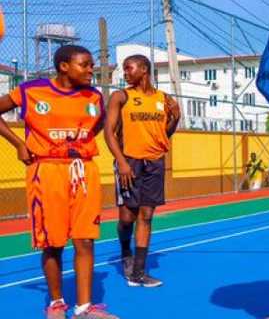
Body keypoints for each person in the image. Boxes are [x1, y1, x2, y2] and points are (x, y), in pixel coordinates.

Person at [0, 45, 118, 318]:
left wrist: (78, 142)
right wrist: (18, 143)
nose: (91, 70)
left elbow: (97, 125)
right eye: (85, 65)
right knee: (53, 242)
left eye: (91, 65)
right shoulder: (32, 91)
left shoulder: (94, 96)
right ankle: (56, 303)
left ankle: (85, 307)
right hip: (47, 171)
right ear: (64, 66)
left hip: (83, 171)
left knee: (85, 240)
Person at [102, 54, 180, 288]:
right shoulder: (121, 96)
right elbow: (108, 132)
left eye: (129, 68)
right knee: (127, 218)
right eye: (124, 69)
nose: (125, 73)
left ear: (144, 69)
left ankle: (138, 272)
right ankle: (126, 252)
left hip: (154, 163)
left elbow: (163, 135)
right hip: (129, 162)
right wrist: (121, 162)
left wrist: (176, 118)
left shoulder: (163, 99)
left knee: (146, 216)